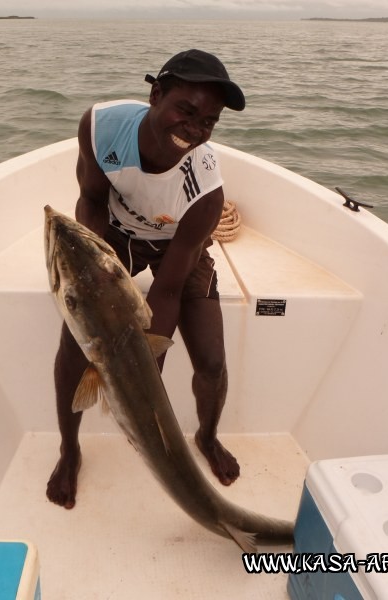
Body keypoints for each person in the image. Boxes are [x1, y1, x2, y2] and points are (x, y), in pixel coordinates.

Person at [47, 49, 246, 509]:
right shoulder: (101, 127)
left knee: (212, 362)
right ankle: (69, 449)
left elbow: (169, 287)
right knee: (74, 346)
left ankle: (207, 436)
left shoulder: (206, 191)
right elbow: (92, 201)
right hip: (115, 234)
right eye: (186, 110)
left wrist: (145, 368)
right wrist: (95, 271)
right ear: (156, 94)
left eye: (210, 122)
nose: (195, 129)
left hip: (179, 247)